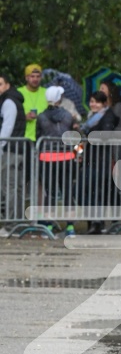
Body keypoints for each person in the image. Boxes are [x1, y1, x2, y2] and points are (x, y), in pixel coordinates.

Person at [36, 86, 76, 238]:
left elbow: (38, 136)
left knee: (50, 193)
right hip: (66, 158)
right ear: (59, 98)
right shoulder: (68, 116)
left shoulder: (41, 117)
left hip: (47, 158)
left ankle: (49, 227)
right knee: (67, 192)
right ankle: (70, 227)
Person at [79, 90, 119, 234]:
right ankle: (94, 222)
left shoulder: (108, 117)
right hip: (92, 158)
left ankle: (98, 222)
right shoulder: (91, 118)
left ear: (103, 104)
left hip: (103, 158)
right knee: (90, 190)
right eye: (91, 101)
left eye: (96, 102)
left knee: (99, 191)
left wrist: (91, 136)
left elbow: (105, 135)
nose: (92, 104)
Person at [0, 73, 27, 237]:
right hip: (16, 149)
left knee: (10, 187)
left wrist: (0, 145)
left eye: (0, 84)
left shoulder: (9, 102)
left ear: (7, 85)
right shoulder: (13, 99)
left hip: (11, 149)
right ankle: (15, 223)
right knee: (14, 187)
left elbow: (7, 128)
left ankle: (11, 225)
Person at [18, 64, 48, 142]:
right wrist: (24, 117)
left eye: (38, 76)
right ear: (26, 78)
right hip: (24, 137)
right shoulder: (18, 92)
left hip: (42, 138)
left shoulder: (47, 93)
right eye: (32, 76)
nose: (35, 79)